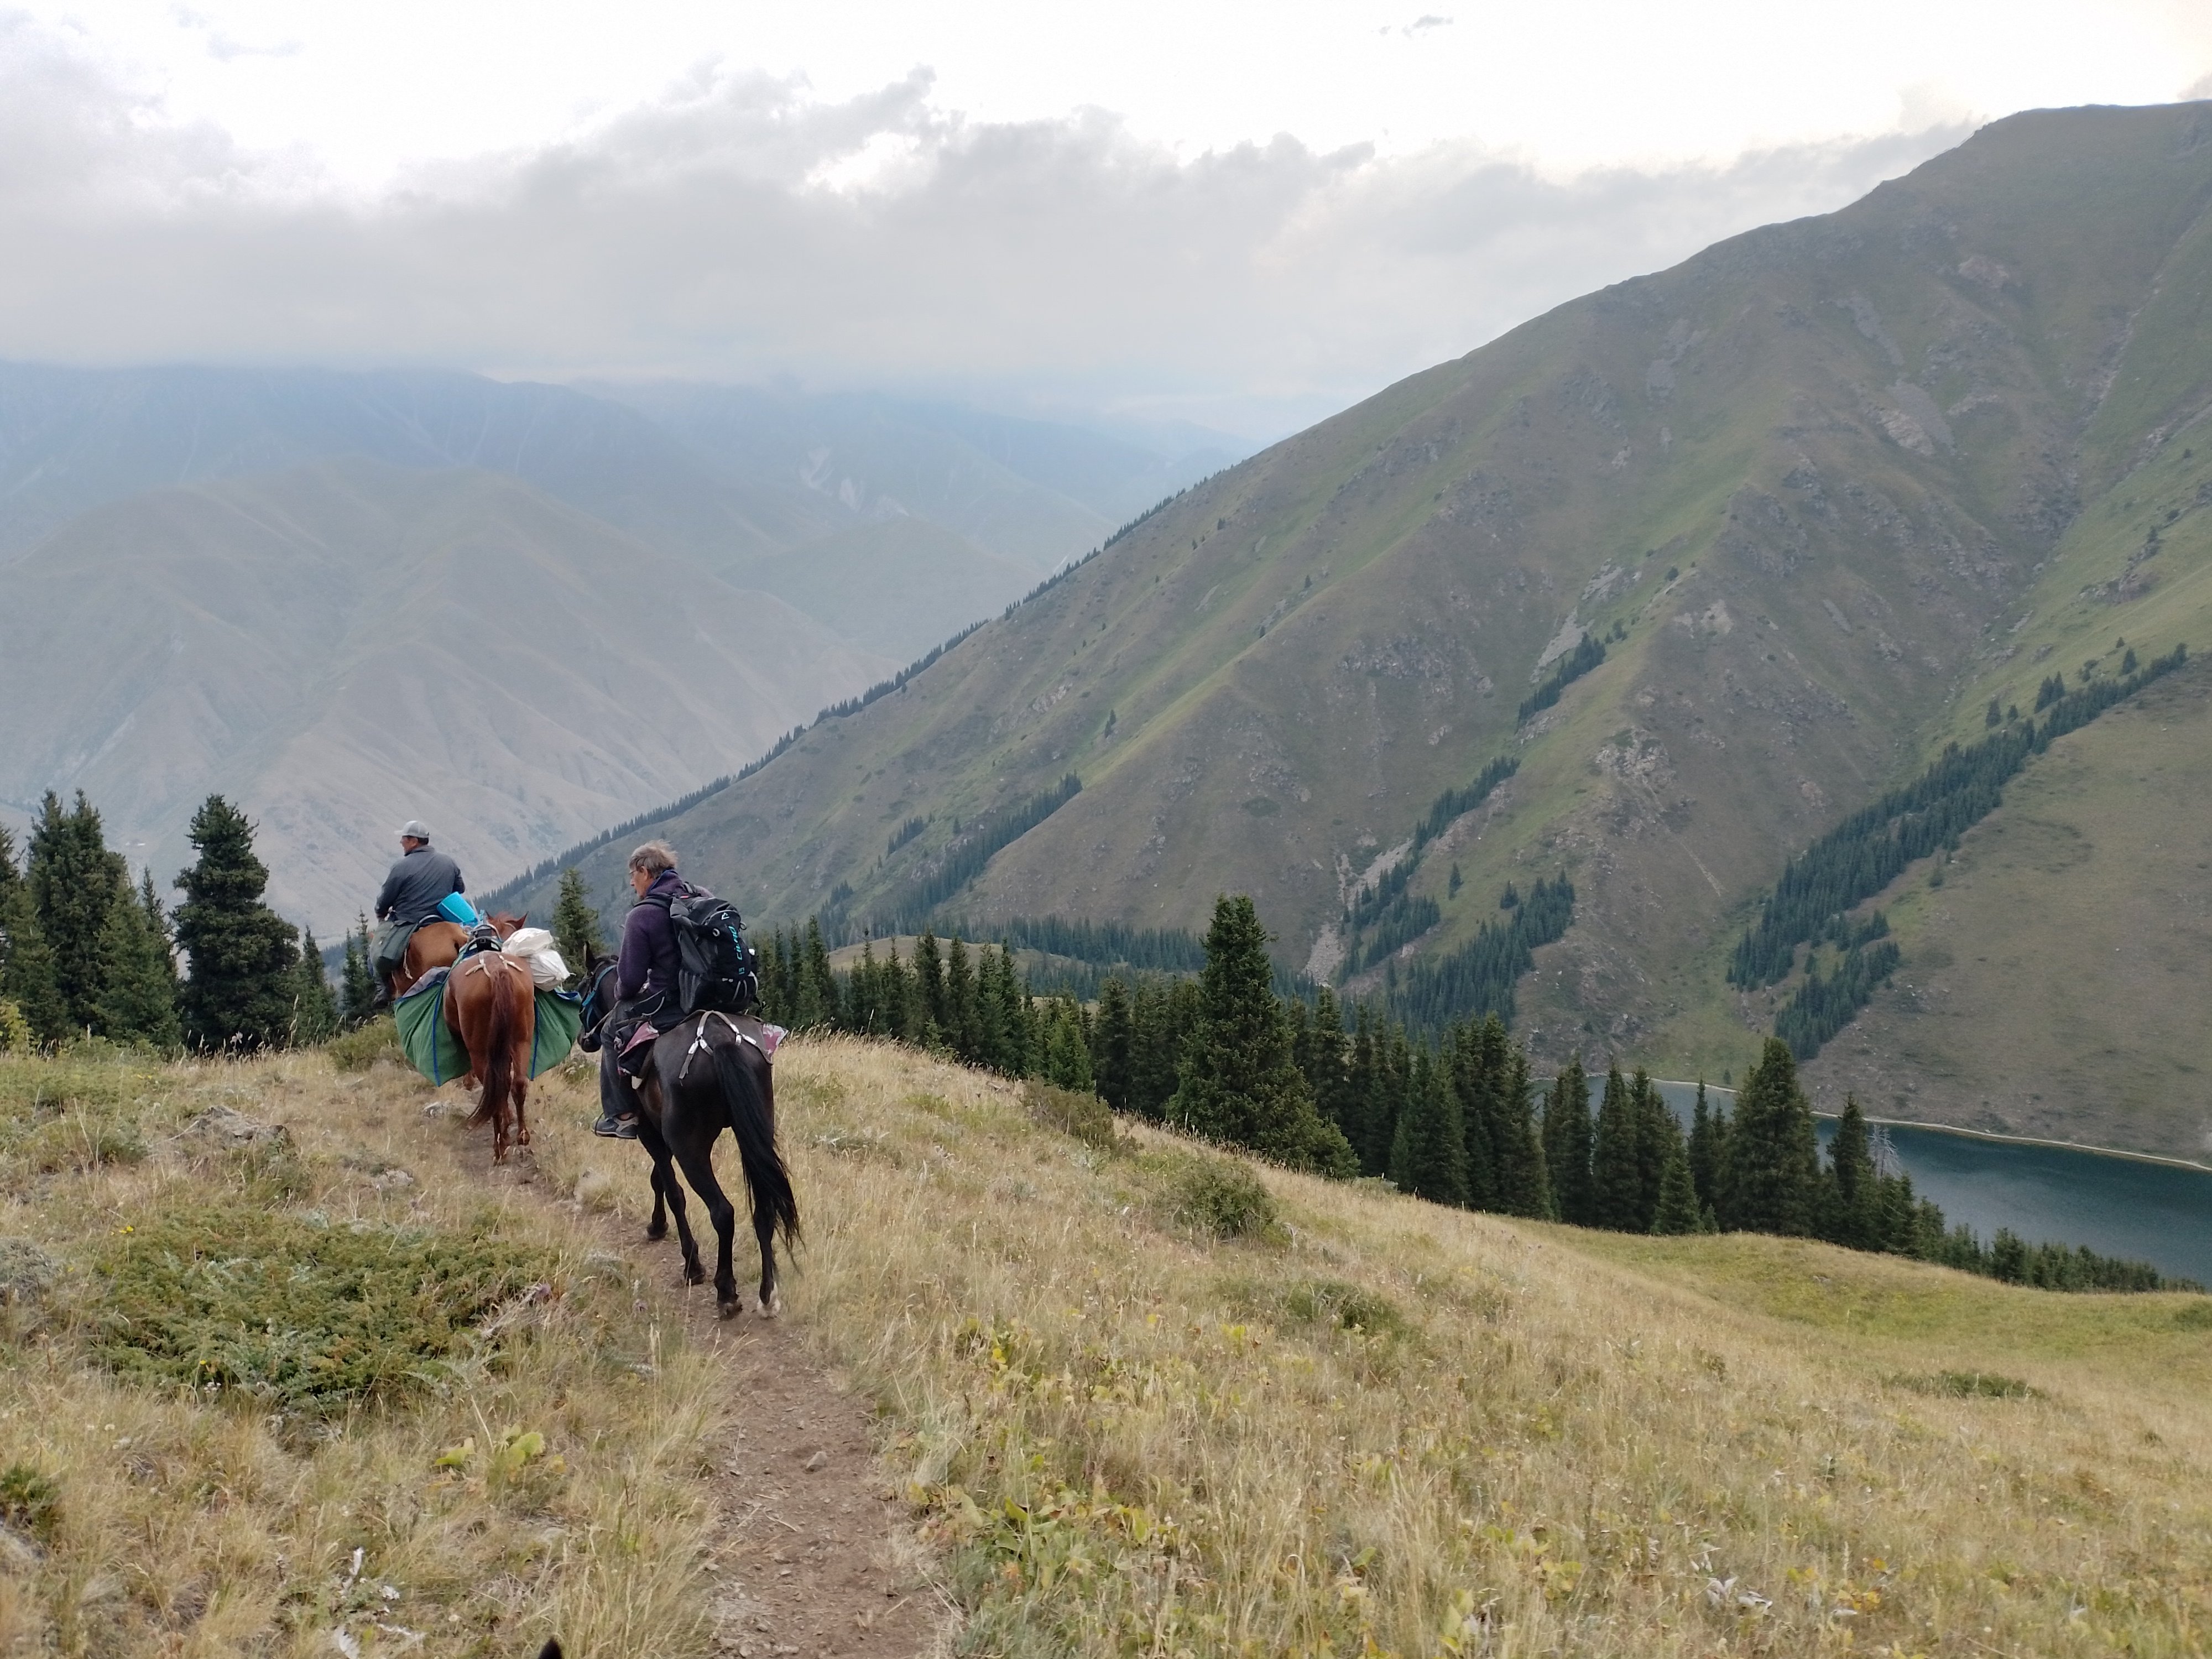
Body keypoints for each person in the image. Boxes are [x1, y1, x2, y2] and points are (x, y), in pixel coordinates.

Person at [592, 840, 687, 1139]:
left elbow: (630, 982)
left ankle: (622, 1116)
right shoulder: (699, 896)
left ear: (645, 872)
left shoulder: (643, 914)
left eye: (633, 875)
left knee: (609, 1031)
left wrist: (621, 991)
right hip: (708, 994)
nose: (632, 882)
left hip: (668, 1000)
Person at [369, 821, 466, 1008]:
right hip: (444, 918)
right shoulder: (448, 861)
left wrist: (381, 912)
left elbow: (386, 899)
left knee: (376, 951)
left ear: (414, 841)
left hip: (409, 921)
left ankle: (385, 991)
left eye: (404, 839)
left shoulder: (401, 867)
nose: (401, 842)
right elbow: (460, 889)